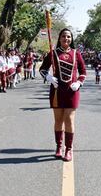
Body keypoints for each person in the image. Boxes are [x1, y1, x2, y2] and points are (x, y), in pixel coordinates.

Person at [39, 28, 87, 162]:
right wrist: (48, 77)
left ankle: (69, 148)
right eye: (64, 36)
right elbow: (42, 69)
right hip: (56, 91)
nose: (66, 39)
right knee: (58, 120)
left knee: (69, 120)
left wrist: (79, 82)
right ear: (59, 38)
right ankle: (58, 147)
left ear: (71, 39)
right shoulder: (53, 53)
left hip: (72, 91)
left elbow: (83, 72)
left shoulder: (76, 53)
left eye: (69, 37)